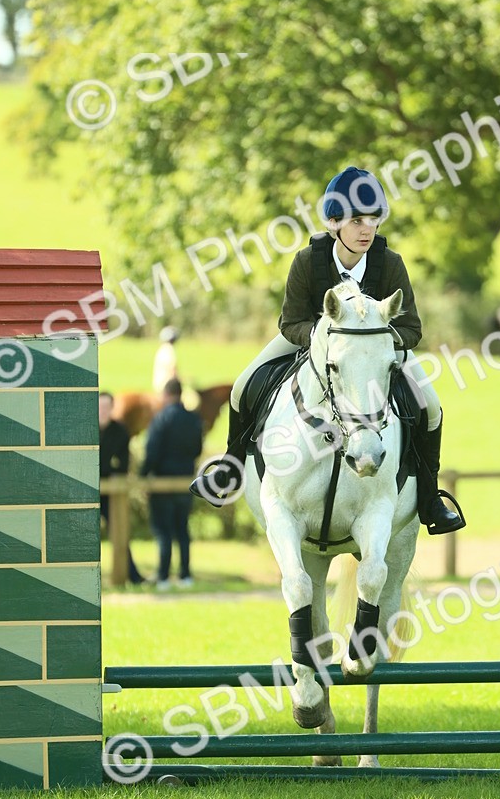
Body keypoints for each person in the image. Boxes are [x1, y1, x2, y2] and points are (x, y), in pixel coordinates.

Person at [191, 165, 465, 534]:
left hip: (377, 350)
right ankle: (230, 468)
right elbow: (289, 323)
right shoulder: (308, 261)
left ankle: (430, 498)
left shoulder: (390, 263)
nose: (366, 228)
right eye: (356, 221)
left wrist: (375, 341)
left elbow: (412, 328)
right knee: (242, 384)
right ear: (335, 223)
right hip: (309, 342)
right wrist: (327, 337)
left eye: (373, 219)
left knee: (430, 406)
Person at [140, 378, 204, 590]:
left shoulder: (161, 419)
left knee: (163, 530)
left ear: (166, 395)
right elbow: (197, 449)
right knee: (182, 529)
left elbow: (152, 451)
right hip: (185, 481)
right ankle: (185, 575)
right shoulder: (194, 419)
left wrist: (143, 476)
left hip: (162, 481)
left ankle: (164, 576)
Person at [98, 391, 145, 585]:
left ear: (112, 409)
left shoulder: (120, 431)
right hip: (89, 492)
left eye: (107, 407)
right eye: (100, 407)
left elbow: (122, 465)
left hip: (112, 493)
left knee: (119, 533)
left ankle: (132, 575)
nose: (103, 411)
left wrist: (107, 470)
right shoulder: (87, 429)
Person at [153, 327, 180, 394]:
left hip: (158, 385)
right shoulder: (169, 349)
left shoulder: (161, 349)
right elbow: (172, 370)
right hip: (167, 386)